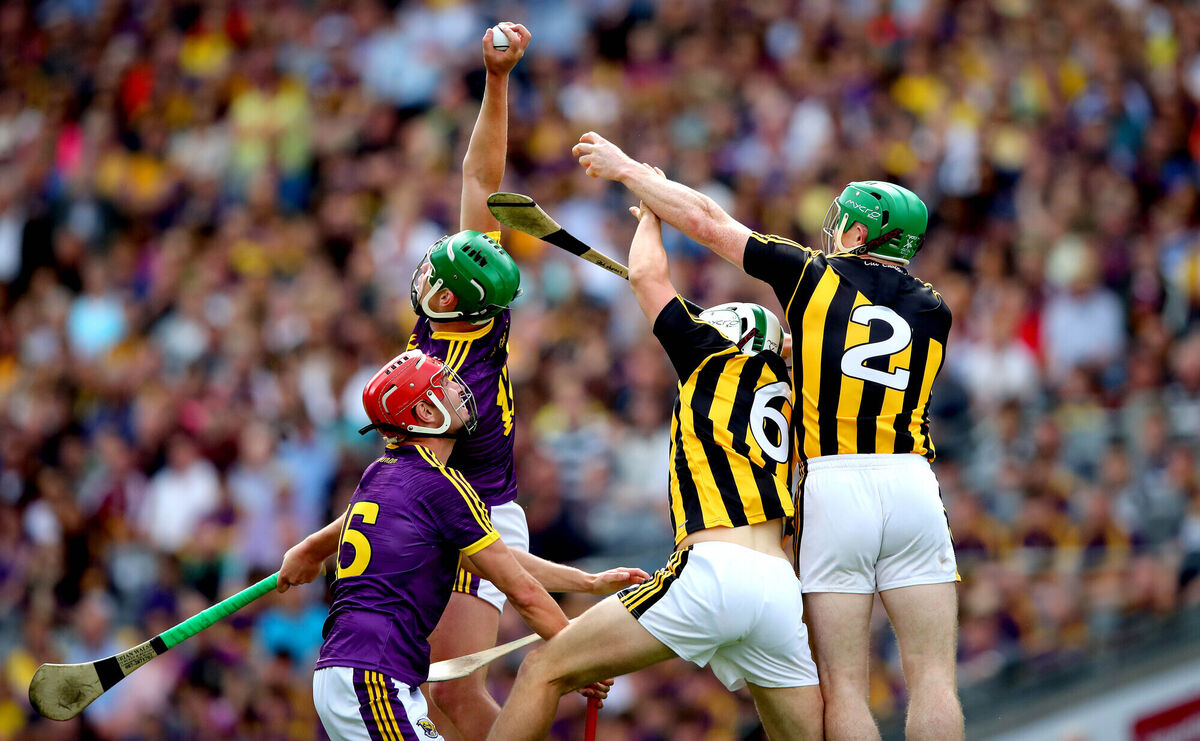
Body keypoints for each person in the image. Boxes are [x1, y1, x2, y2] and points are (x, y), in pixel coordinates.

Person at [279, 26, 647, 741]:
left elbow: (417, 489)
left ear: (452, 299)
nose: (422, 278)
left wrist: (571, 642)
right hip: (436, 506)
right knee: (432, 689)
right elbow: (480, 181)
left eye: (433, 279)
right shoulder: (455, 318)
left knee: (451, 687)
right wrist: (496, 81)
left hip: (475, 512)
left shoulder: (455, 371)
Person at [572, 133, 963, 741]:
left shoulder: (812, 275)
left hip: (834, 486)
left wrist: (631, 173)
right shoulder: (935, 309)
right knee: (934, 678)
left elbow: (708, 221)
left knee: (845, 689)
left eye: (843, 224)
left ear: (858, 234)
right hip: (912, 480)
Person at [488, 190, 823, 741]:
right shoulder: (791, 394)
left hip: (716, 569)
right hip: (778, 588)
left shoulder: (713, 358)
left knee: (542, 670)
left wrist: (650, 214)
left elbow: (646, 277)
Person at [309, 348, 609, 741]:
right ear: (426, 412)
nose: (457, 389)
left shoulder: (379, 474)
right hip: (373, 679)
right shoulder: (442, 487)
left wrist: (587, 582)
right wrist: (577, 656)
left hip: (352, 672)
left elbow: (498, 563)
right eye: (444, 385)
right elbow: (522, 592)